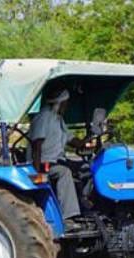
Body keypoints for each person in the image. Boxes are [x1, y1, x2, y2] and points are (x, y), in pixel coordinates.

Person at [29, 89, 86, 225]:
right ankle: (69, 217)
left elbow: (74, 142)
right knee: (64, 172)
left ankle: (85, 205)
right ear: (58, 103)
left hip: (58, 161)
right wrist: (36, 174)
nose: (66, 107)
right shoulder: (44, 117)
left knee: (86, 168)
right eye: (65, 103)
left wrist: (93, 136)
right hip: (44, 163)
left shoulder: (59, 120)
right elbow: (37, 146)